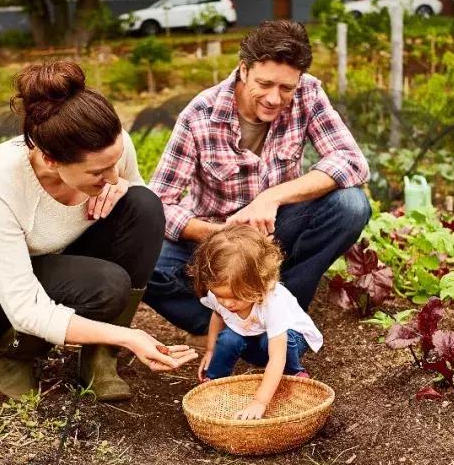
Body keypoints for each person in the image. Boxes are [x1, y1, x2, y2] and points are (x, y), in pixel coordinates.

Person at [0, 60, 196, 402]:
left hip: (54, 259)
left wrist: (123, 187)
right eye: (98, 173)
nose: (112, 177)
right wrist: (129, 337)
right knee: (106, 286)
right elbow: (24, 307)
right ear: (50, 159)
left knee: (144, 205)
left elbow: (133, 197)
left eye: (115, 164)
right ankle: (11, 352)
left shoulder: (107, 148)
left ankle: (99, 357)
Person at [145, 19, 371, 339]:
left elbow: (351, 160)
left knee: (351, 205)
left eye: (286, 88)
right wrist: (219, 233)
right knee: (144, 265)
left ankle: (283, 313)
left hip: (275, 233)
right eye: (264, 84)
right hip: (214, 240)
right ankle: (229, 324)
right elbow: (158, 203)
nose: (274, 98)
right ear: (243, 69)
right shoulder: (200, 115)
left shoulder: (308, 93)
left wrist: (271, 198)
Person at [190, 225, 323, 420]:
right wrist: (210, 351)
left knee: (273, 342)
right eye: (220, 296)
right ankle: (214, 382)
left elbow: (277, 356)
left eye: (236, 297)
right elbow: (217, 315)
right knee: (227, 338)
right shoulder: (220, 294)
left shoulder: (272, 302)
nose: (227, 303)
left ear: (259, 285)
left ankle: (294, 373)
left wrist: (259, 402)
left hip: (289, 341)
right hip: (255, 338)